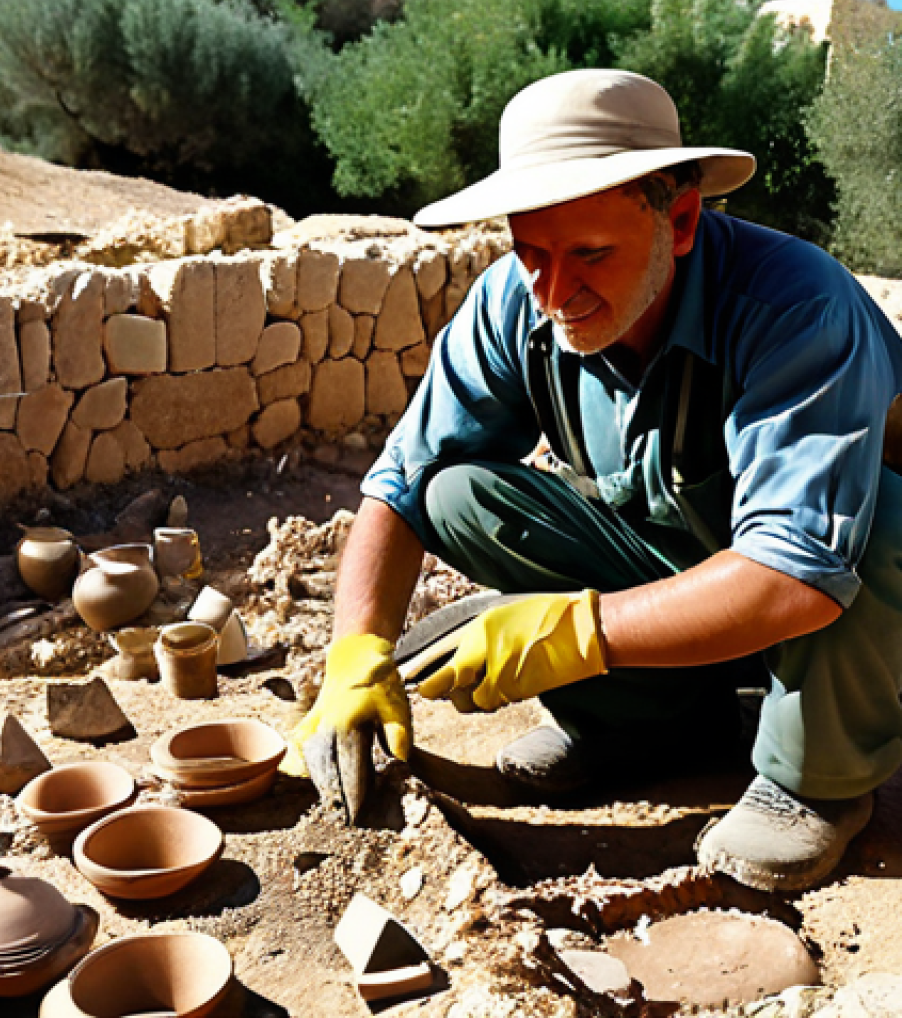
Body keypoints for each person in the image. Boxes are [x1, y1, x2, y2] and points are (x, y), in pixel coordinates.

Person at [290, 69, 902, 892]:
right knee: (458, 494)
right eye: (530, 251)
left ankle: (815, 780)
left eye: (590, 254)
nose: (553, 291)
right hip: (689, 579)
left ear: (679, 220)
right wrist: (355, 652)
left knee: (884, 518)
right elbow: (403, 479)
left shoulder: (795, 307)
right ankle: (641, 731)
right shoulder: (518, 300)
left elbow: (798, 571)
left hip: (840, 608)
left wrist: (572, 633)